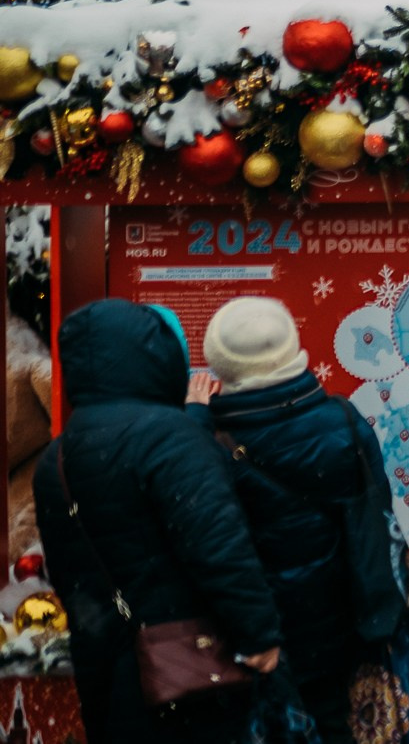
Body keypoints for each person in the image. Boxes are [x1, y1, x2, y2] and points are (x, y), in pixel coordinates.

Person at [33, 300, 283, 744]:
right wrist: (259, 631)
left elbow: (67, 571)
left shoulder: (57, 456)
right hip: (185, 671)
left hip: (105, 667)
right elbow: (217, 543)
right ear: (154, 355)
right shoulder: (169, 435)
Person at [199, 298, 408, 744]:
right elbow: (378, 508)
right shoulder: (343, 420)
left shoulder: (209, 440)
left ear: (221, 362)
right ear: (292, 349)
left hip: (258, 633)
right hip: (341, 620)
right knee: (335, 724)